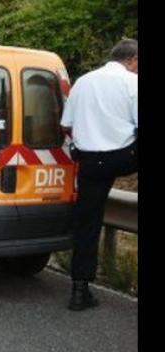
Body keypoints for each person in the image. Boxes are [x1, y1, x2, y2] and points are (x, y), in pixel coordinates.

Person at [60, 39, 138, 312]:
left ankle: (79, 291)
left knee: (88, 224)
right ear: (133, 60)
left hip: (91, 161)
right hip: (124, 157)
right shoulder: (132, 84)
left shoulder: (83, 81)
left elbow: (66, 125)